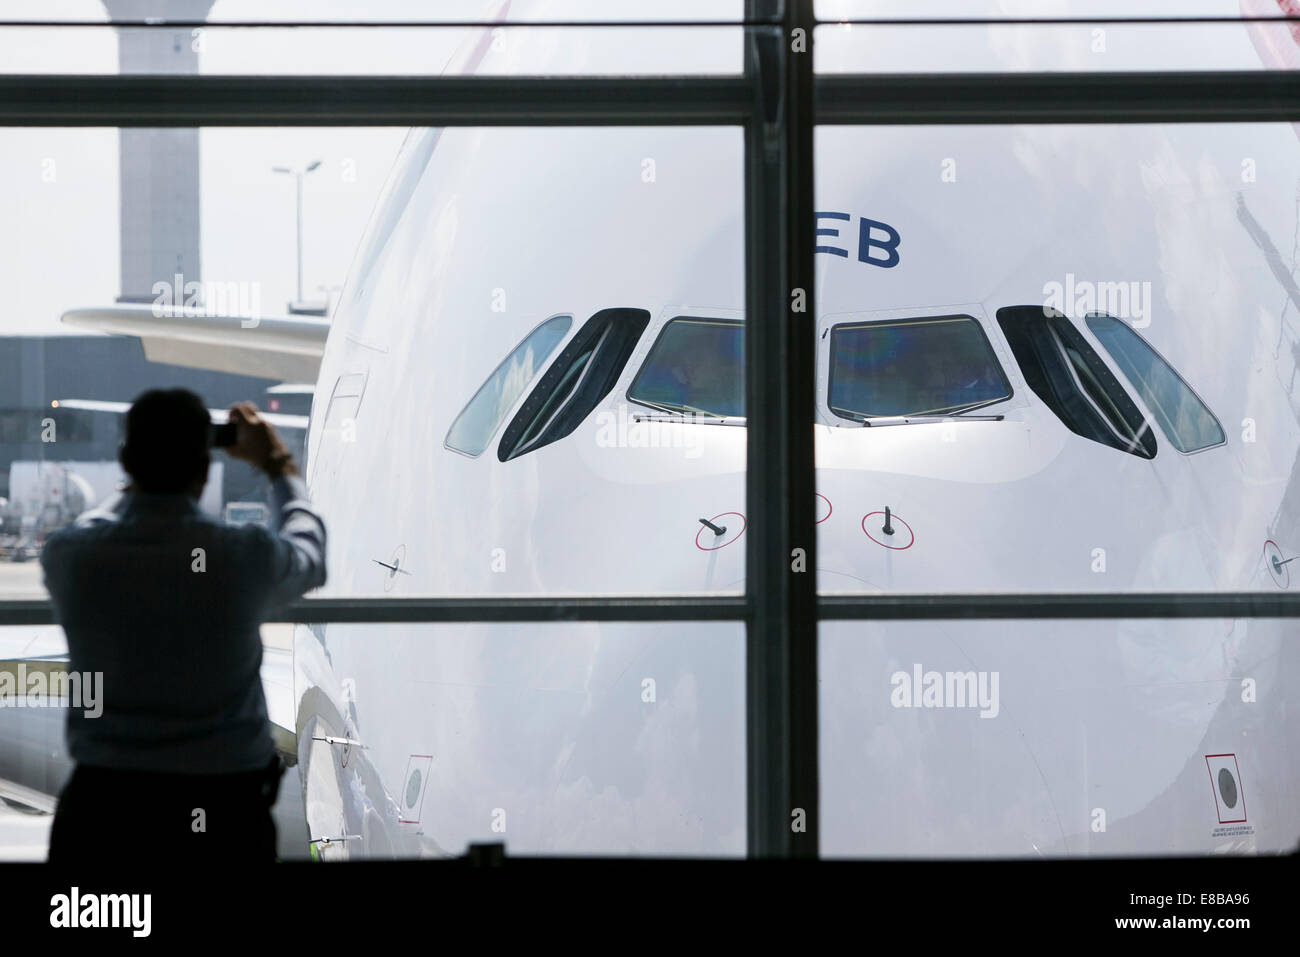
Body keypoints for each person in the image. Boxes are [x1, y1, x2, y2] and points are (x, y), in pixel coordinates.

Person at [41, 389, 326, 865]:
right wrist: (276, 463)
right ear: (206, 468)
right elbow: (310, 555)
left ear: (126, 461)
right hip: (224, 811)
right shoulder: (241, 556)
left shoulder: (71, 556)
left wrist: (142, 475)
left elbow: (98, 523)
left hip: (104, 807)